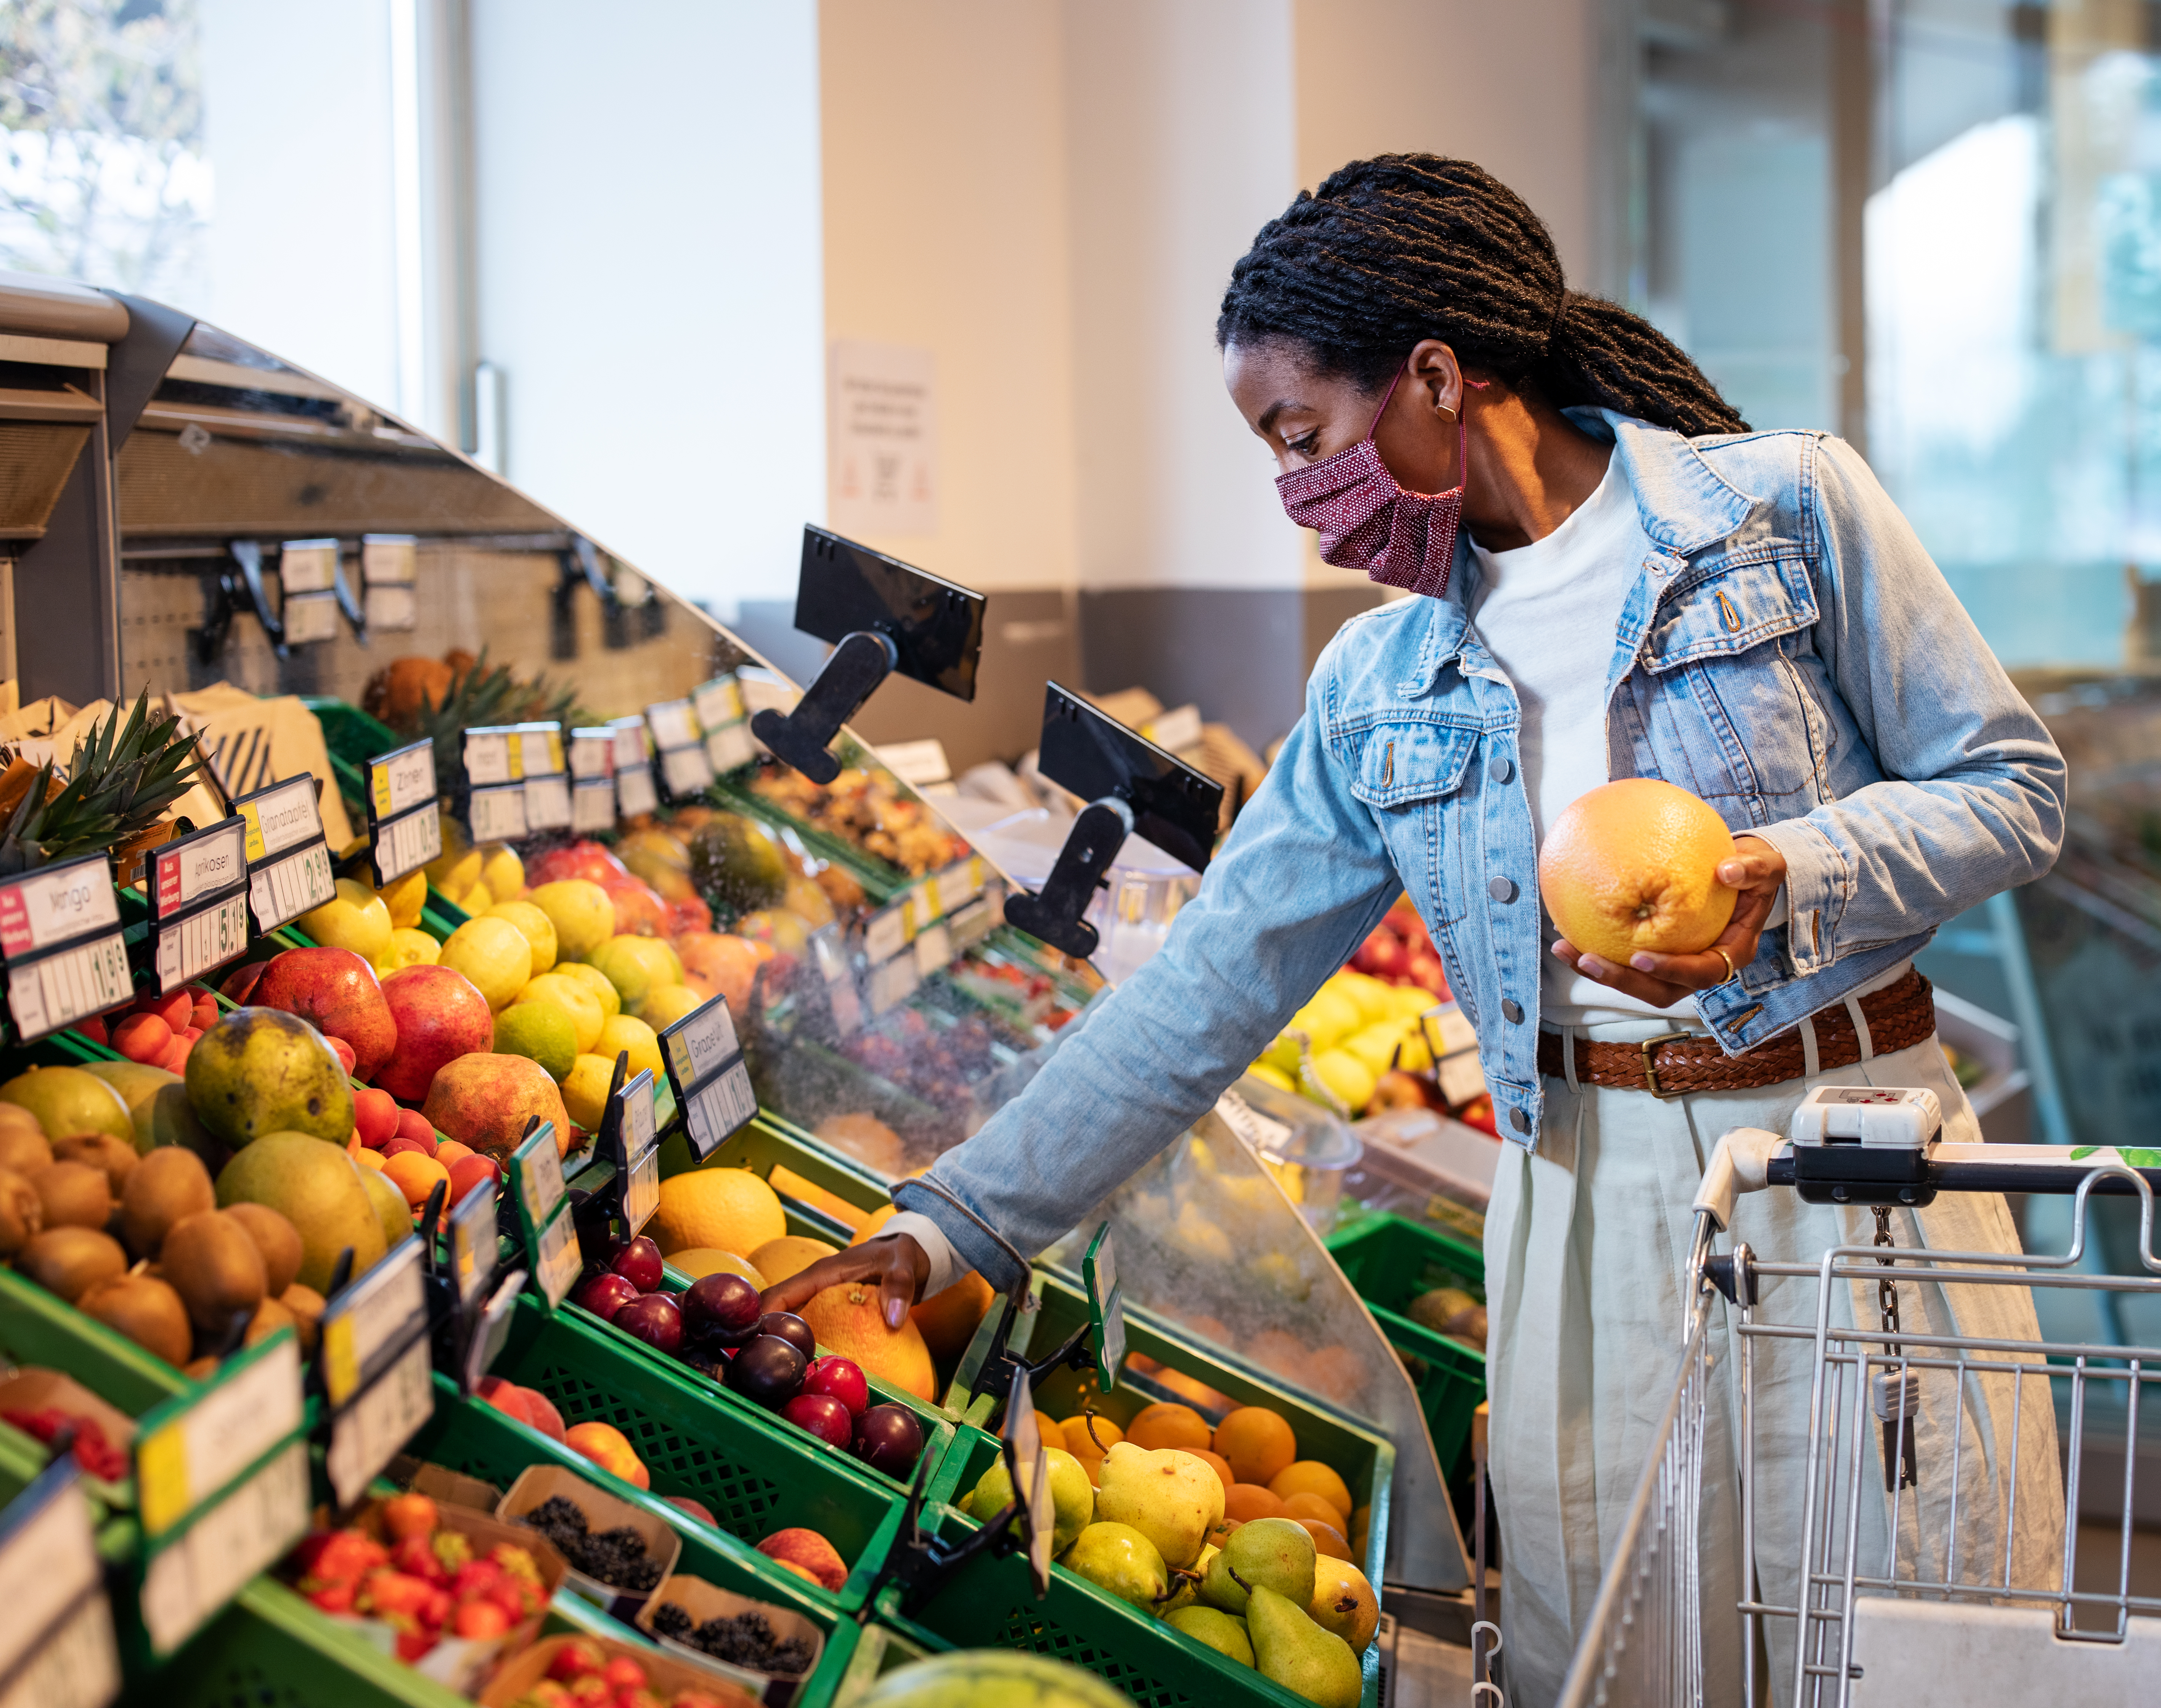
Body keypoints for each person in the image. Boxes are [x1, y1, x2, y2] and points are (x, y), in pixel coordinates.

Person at [764, 154, 2067, 1706]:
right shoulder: (1382, 684)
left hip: (1843, 1155)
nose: (1298, 491)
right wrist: (952, 1220)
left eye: (1302, 436)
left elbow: (2011, 789)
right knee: (1636, 1662)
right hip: (1579, 1202)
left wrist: (1783, 871)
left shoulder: (1785, 511)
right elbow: (1203, 994)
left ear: (1436, 380)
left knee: (1907, 1640)